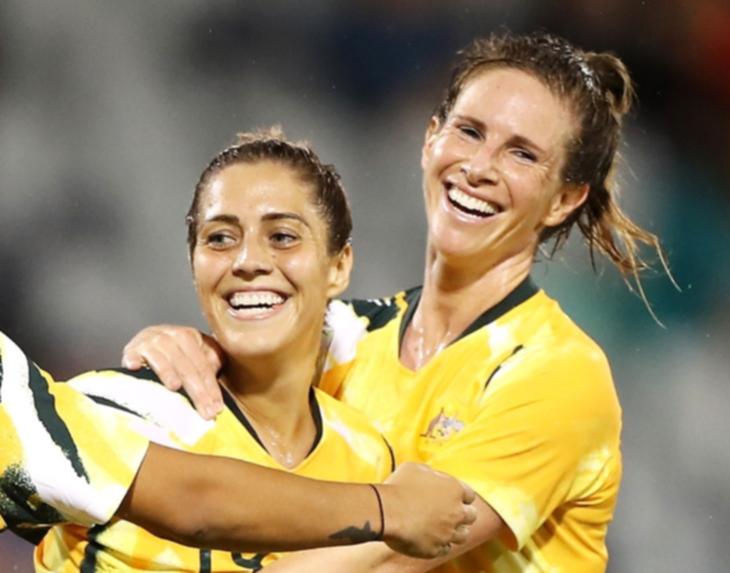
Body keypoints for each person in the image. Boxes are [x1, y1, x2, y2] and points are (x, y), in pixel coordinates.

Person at [123, 31, 671, 572]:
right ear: (430, 138)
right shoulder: (349, 337)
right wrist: (182, 351)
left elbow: (390, 555)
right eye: (469, 132)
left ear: (566, 198)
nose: (479, 168)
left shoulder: (557, 373)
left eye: (521, 154)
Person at [10, 130, 474, 572]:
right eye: (219, 238)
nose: (248, 261)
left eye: (283, 236)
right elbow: (198, 502)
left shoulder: (367, 455)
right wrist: (386, 508)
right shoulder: (122, 408)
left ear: (338, 265)